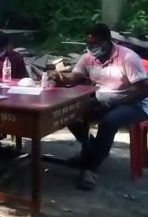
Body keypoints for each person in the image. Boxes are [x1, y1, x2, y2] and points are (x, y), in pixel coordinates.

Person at [53, 23, 148, 190]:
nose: (91, 48)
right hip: (103, 98)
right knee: (68, 112)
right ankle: (93, 151)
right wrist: (63, 79)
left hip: (135, 102)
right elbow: (76, 76)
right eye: (88, 44)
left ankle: (90, 167)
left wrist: (115, 101)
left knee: (109, 121)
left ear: (107, 42)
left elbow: (143, 89)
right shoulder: (88, 58)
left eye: (94, 45)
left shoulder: (127, 58)